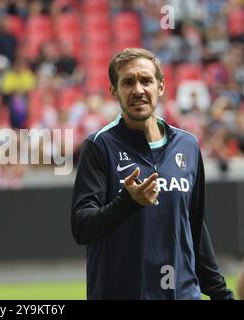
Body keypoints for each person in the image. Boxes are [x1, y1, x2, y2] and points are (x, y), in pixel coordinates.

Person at [71, 48, 234, 300]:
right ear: (114, 91)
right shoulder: (99, 146)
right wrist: (127, 202)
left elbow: (194, 228)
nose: (138, 90)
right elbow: (81, 227)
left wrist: (221, 294)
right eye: (128, 82)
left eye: (146, 80)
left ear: (160, 87)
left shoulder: (188, 146)